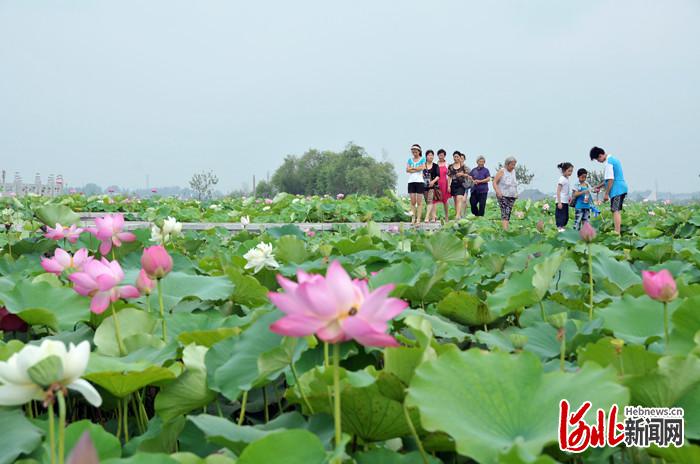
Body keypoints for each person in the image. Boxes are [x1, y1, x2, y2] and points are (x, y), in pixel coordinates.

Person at [589, 146, 627, 234]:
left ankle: (617, 232)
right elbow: (608, 180)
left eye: (597, 159)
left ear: (600, 155)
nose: (598, 161)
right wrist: (598, 186)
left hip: (617, 189)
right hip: (620, 188)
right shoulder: (614, 159)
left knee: (615, 210)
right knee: (615, 210)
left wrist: (606, 194)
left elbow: (611, 180)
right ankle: (617, 231)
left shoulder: (609, 163)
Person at [493, 156, 519, 230]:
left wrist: (516, 193)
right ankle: (505, 229)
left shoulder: (513, 171)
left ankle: (506, 228)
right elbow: (494, 182)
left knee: (509, 211)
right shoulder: (502, 171)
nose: (513, 166)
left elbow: (514, 183)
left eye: (514, 165)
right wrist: (498, 192)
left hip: (512, 196)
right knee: (505, 211)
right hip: (503, 195)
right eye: (512, 165)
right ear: (507, 164)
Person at [406, 144, 426, 224]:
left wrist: (412, 168)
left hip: (419, 182)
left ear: (419, 151)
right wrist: (415, 169)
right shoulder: (409, 160)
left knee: (419, 202)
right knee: (413, 201)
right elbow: (407, 170)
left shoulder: (422, 159)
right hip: (411, 182)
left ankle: (418, 219)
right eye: (413, 151)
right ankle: (413, 218)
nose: (414, 152)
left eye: (416, 151)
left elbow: (422, 168)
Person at [447, 151, 468, 220]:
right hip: (453, 184)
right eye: (454, 157)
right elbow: (449, 177)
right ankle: (457, 214)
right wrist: (448, 186)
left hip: (461, 184)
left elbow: (467, 175)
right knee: (456, 200)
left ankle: (457, 216)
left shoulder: (463, 166)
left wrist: (462, 174)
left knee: (459, 198)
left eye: (457, 157)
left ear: (460, 157)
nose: (456, 158)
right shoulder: (450, 166)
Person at [555, 162, 574, 231]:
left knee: (566, 217)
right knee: (561, 217)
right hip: (561, 201)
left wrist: (569, 198)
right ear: (564, 170)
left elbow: (566, 191)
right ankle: (559, 229)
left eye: (571, 171)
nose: (570, 173)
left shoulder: (566, 179)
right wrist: (559, 202)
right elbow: (558, 191)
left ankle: (562, 228)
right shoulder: (562, 179)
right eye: (569, 171)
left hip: (565, 201)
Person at [422, 150, 440, 222]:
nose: (431, 156)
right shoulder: (423, 165)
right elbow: (420, 173)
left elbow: (438, 176)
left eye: (432, 155)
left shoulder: (435, 166)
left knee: (430, 200)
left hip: (433, 186)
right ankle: (433, 216)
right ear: (426, 156)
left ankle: (427, 217)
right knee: (428, 201)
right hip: (424, 186)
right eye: (429, 155)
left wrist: (433, 182)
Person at [433, 149, 451, 221]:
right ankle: (434, 217)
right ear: (438, 156)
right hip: (436, 184)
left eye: (442, 155)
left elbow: (449, 176)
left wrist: (449, 186)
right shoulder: (434, 164)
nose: (441, 156)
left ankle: (446, 216)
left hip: (444, 183)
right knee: (434, 200)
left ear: (444, 156)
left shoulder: (447, 164)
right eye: (439, 155)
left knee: (445, 200)